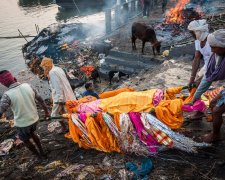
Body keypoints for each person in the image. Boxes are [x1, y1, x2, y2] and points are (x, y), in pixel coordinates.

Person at [0, 70, 49, 159]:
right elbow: (41, 100)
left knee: (25, 140)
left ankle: (38, 156)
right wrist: (46, 112)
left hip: (23, 124)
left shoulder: (7, 95)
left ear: (4, 83)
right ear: (13, 78)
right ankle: (42, 151)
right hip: (35, 119)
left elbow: (1, 111)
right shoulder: (28, 86)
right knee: (32, 133)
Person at [187, 29, 225, 122]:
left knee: (216, 110)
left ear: (223, 47)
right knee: (213, 103)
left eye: (213, 47)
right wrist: (195, 97)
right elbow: (208, 77)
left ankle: (215, 135)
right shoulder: (217, 56)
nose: (211, 50)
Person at [40, 57, 76, 133]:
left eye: (44, 67)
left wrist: (59, 100)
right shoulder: (58, 68)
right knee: (67, 112)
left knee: (54, 115)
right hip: (67, 93)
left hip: (61, 96)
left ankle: (65, 128)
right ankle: (72, 127)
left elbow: (58, 86)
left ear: (46, 65)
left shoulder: (52, 72)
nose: (43, 69)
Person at [186, 20, 212, 119]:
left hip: (217, 65)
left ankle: (198, 109)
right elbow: (197, 58)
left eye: (192, 32)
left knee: (198, 86)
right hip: (207, 65)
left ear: (198, 31)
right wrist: (192, 78)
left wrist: (201, 78)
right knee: (194, 85)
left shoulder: (211, 41)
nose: (191, 34)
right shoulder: (197, 41)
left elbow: (215, 61)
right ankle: (199, 110)